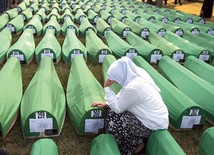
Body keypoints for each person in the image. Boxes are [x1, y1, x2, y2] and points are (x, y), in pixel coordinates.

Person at [91, 57, 169, 155]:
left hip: (152, 124)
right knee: (111, 110)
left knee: (115, 118)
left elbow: (118, 108)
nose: (115, 82)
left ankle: (131, 148)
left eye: (114, 79)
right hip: (152, 117)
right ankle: (134, 141)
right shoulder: (134, 77)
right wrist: (107, 104)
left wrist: (106, 87)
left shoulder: (135, 87)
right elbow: (124, 95)